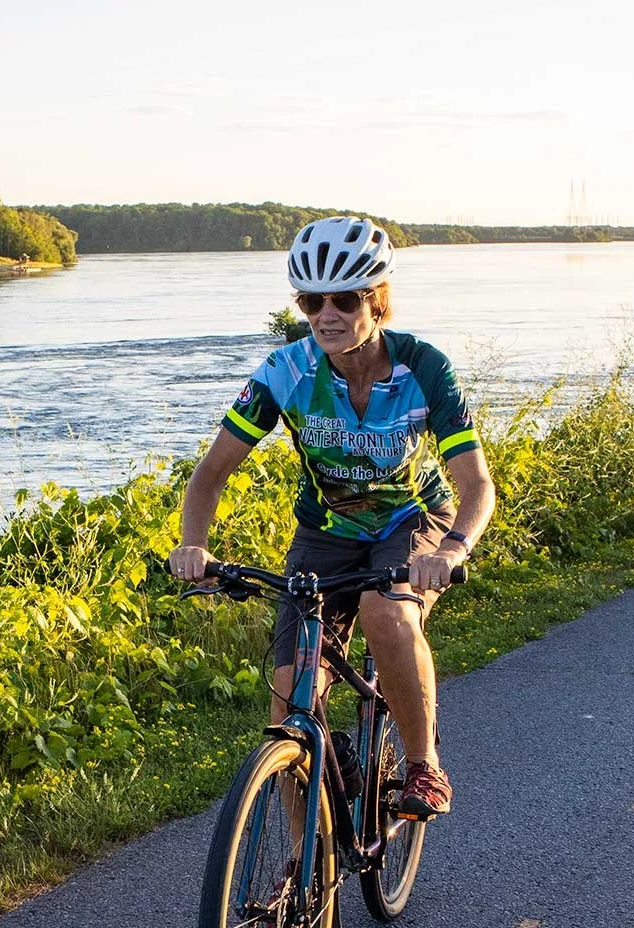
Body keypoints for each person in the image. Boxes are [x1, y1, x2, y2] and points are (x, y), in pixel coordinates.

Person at [167, 216, 496, 818]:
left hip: (411, 519)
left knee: (384, 612)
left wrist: (451, 550)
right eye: (311, 300)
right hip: (325, 532)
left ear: (378, 302)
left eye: (344, 300)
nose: (326, 314)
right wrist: (193, 545)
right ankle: (301, 874)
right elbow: (211, 473)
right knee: (290, 706)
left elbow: (476, 484)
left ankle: (424, 766)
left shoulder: (423, 368)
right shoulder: (285, 372)